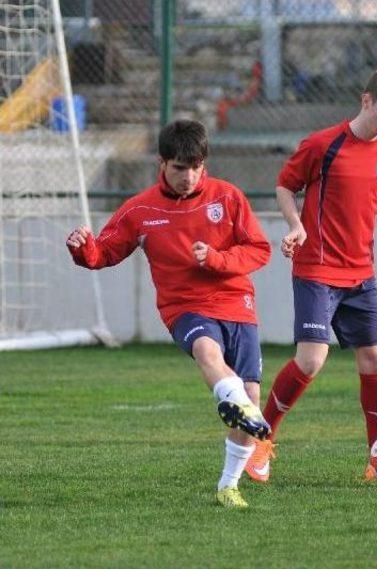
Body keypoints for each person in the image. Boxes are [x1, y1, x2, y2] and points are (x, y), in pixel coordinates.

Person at [66, 119, 271, 508]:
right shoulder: (140, 210)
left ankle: (229, 485)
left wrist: (217, 258)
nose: (188, 176)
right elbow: (105, 252)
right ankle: (234, 401)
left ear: (204, 164)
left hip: (236, 303)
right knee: (207, 352)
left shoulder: (227, 197)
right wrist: (83, 249)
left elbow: (259, 249)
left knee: (252, 395)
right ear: (162, 163)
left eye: (196, 167)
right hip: (184, 307)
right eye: (179, 167)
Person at [244, 68, 377, 483]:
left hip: (361, 272)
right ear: (366, 100)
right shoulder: (323, 145)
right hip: (317, 268)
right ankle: (261, 441)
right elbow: (285, 186)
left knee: (375, 359)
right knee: (311, 359)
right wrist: (295, 226)